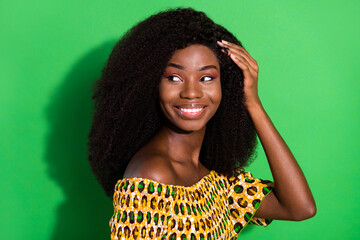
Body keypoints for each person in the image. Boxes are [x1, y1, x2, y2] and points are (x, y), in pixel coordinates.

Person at [87, 7, 316, 240]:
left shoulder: (215, 177)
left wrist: (252, 103)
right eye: (174, 78)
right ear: (150, 84)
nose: (191, 93)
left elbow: (299, 207)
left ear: (224, 86)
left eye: (207, 78)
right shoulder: (151, 177)